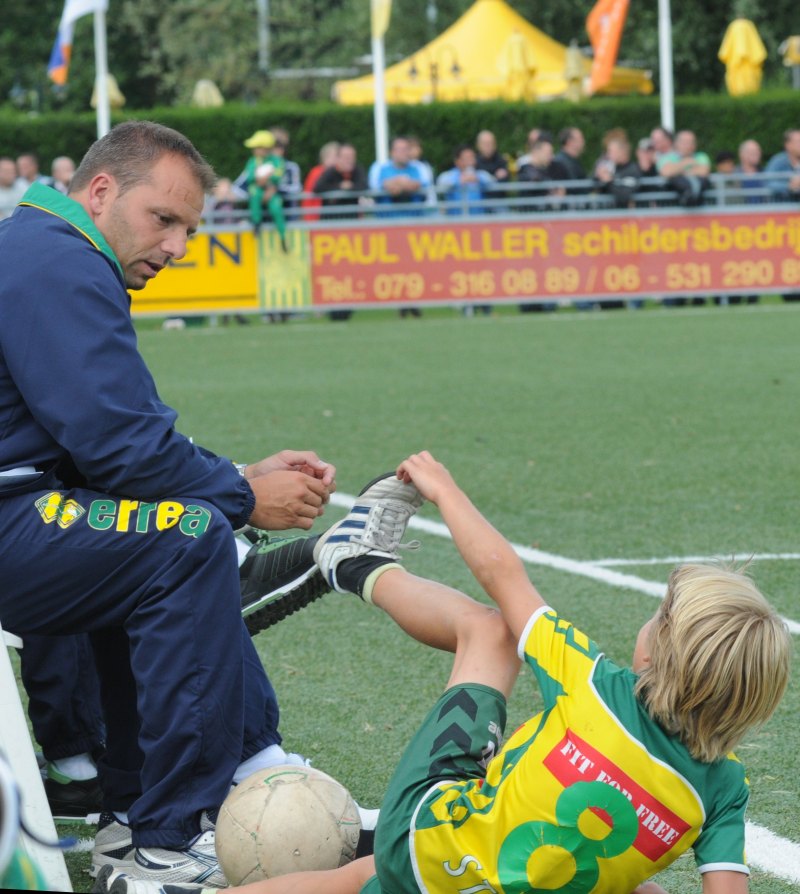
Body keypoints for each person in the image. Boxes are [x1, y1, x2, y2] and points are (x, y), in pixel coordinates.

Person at [99, 451, 791, 894]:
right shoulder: (724, 790)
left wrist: (444, 487)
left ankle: (353, 563)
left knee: (490, 630)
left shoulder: (594, 684)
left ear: (655, 653)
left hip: (432, 835)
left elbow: (504, 576)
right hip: (466, 879)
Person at [0, 120, 337, 887]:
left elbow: (116, 446)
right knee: (184, 540)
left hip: (20, 507)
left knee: (160, 534)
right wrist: (242, 495)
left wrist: (236, 477)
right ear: (101, 189)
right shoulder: (58, 262)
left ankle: (143, 810)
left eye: (189, 228)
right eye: (165, 220)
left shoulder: (37, 246)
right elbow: (120, 446)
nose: (179, 245)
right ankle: (170, 834)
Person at [435, 143, 494, 216]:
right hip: (455, 222)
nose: (471, 161)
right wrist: (458, 180)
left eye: (472, 157)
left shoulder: (480, 174)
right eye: (467, 158)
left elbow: (492, 181)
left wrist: (478, 179)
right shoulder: (449, 175)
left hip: (479, 222)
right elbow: (440, 182)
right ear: (457, 161)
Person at [656, 129, 711, 208]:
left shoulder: (702, 156)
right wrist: (686, 163)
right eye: (685, 142)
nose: (688, 145)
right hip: (672, 206)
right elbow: (666, 172)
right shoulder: (666, 157)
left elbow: (704, 171)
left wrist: (678, 171)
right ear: (676, 144)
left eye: (691, 142)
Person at [313, 143, 369, 220]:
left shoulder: (358, 170)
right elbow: (317, 189)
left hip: (352, 221)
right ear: (338, 158)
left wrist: (350, 187)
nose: (349, 160)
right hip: (330, 222)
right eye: (346, 157)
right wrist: (339, 187)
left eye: (352, 157)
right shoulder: (330, 172)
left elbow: (365, 187)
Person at [301, 141, 340, 222]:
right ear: (325, 157)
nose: (339, 159)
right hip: (317, 219)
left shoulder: (341, 173)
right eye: (336, 156)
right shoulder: (316, 173)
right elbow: (308, 197)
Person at [474, 129, 509, 209]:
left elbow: (504, 183)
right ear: (478, 145)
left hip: (499, 203)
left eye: (490, 143)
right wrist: (494, 178)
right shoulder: (474, 162)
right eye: (485, 144)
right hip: (480, 204)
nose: (488, 146)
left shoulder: (502, 161)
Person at [763, 127, 800, 202]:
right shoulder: (777, 161)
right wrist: (789, 186)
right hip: (781, 209)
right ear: (788, 145)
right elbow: (767, 182)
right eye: (798, 142)